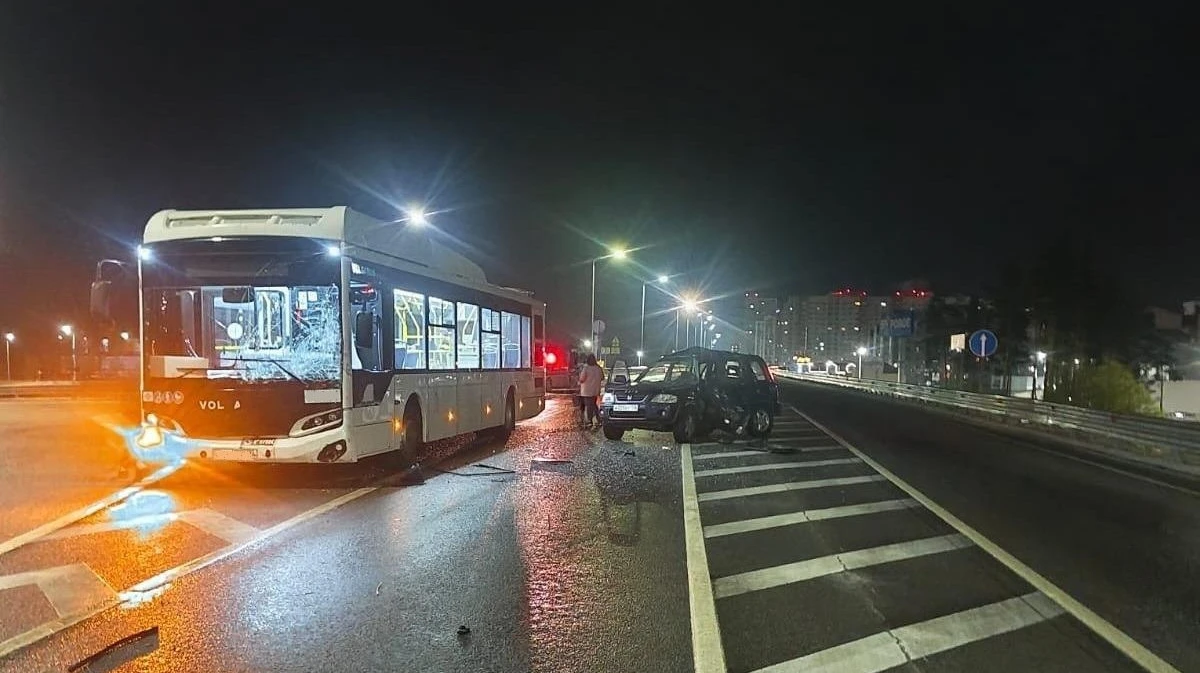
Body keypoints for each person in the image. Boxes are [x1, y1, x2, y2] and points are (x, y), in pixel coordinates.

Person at [578, 354, 604, 430]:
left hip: (587, 391)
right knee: (594, 405)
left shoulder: (586, 368)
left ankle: (589, 422)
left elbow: (582, 379)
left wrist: (579, 381)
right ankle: (599, 419)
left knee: (589, 406)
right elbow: (602, 377)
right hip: (596, 390)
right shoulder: (598, 368)